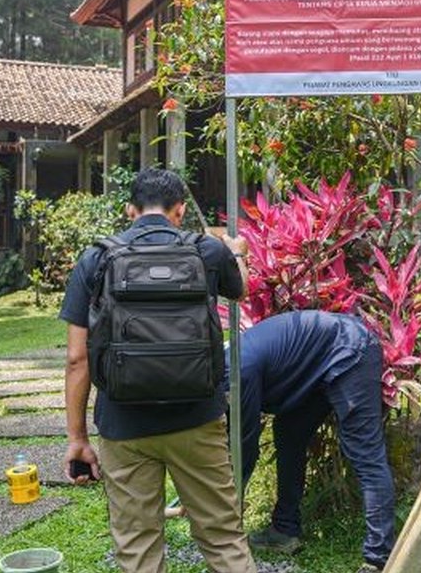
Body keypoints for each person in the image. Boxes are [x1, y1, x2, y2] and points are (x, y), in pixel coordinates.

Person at [60, 167, 255, 573]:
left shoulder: (96, 257)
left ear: (130, 211)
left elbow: (77, 359)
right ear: (180, 211)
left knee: (138, 547)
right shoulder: (207, 250)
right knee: (222, 537)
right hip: (197, 422)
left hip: (123, 425)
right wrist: (235, 251)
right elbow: (243, 289)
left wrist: (77, 438)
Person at [232, 310, 395, 573]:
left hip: (349, 350)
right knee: (289, 434)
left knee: (365, 453)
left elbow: (243, 448)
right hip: (312, 368)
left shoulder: (238, 372)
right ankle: (285, 530)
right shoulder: (226, 367)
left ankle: (379, 558)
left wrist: (218, 512)